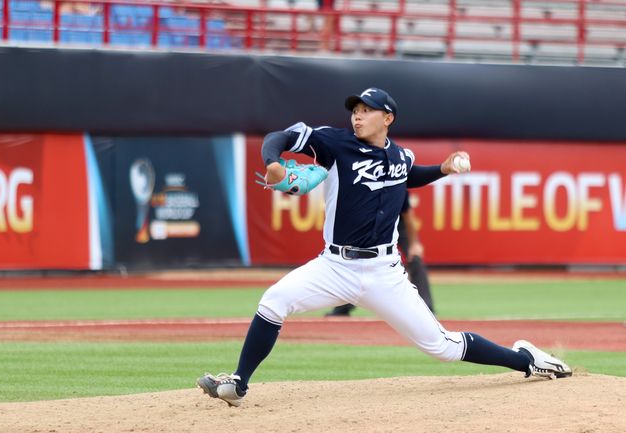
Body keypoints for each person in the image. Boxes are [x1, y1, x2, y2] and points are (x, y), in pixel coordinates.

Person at [197, 87, 572, 407]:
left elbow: (411, 175)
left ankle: (526, 360)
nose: (357, 117)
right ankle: (238, 384)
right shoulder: (334, 143)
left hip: (384, 273)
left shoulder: (401, 157)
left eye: (365, 111)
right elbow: (277, 137)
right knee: (274, 301)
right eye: (355, 111)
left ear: (387, 118)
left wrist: (443, 168)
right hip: (334, 266)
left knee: (440, 346)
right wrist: (273, 163)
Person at [326, 190, 434, 316]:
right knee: (354, 260)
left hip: (397, 224)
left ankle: (427, 308)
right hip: (370, 224)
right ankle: (342, 308)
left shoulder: (396, 181)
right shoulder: (362, 181)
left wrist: (414, 244)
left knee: (415, 258)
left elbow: (408, 215)